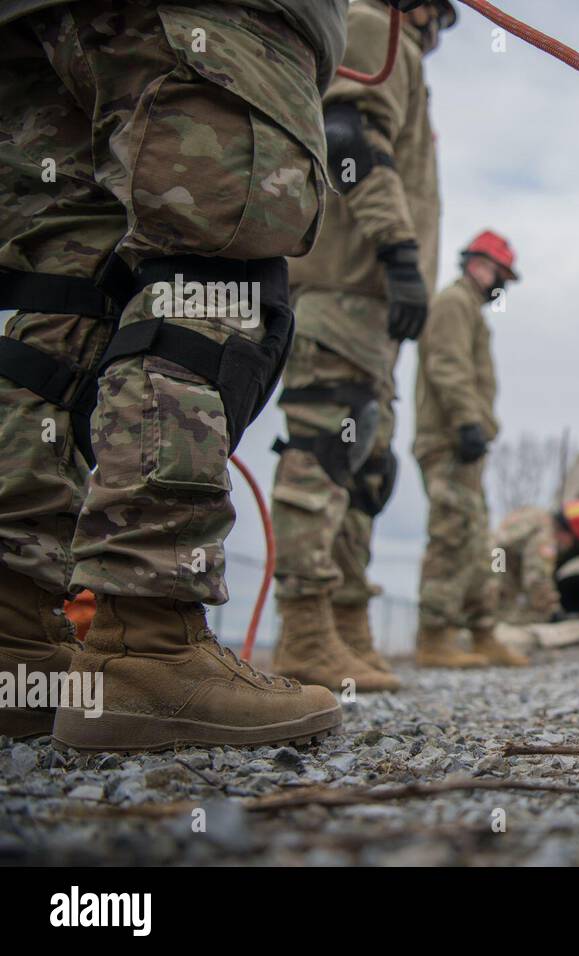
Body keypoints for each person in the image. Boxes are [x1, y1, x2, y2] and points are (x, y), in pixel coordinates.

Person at [0, 0, 362, 749]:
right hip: (206, 21)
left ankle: (14, 639)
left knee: (62, 289)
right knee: (207, 264)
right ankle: (147, 644)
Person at [269, 0, 457, 694]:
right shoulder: (379, 29)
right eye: (439, 16)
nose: (440, 32)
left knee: (363, 468)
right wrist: (399, 250)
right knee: (323, 451)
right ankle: (304, 627)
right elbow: (346, 137)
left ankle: (343, 621)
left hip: (369, 304)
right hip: (348, 289)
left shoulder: (396, 49)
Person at [413, 230, 520, 668]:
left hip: (463, 444)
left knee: (477, 542)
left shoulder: (469, 311)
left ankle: (481, 631)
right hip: (449, 440)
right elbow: (448, 366)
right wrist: (467, 422)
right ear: (480, 265)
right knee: (452, 535)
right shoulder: (455, 304)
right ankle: (434, 637)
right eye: (501, 275)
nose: (502, 286)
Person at [489, 500, 579, 632]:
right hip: (496, 567)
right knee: (518, 618)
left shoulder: (534, 514)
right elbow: (536, 578)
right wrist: (553, 613)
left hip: (491, 560)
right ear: (568, 533)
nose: (568, 545)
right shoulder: (546, 535)